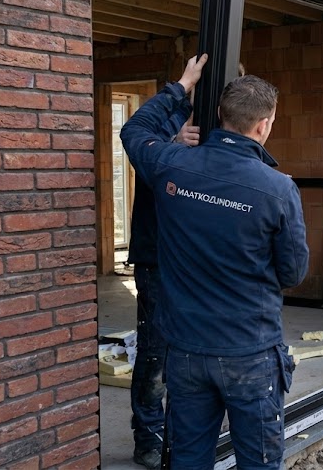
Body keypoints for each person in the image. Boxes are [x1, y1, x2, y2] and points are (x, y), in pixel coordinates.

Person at [121, 54, 309, 469]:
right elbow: (293, 272)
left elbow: (134, 129)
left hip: (187, 353)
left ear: (220, 114)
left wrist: (181, 85)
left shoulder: (172, 165)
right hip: (250, 352)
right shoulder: (278, 189)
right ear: (264, 126)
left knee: (189, 459)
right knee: (257, 461)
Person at [127, 99, 198, 470]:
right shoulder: (164, 125)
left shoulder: (222, 129)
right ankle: (148, 438)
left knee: (194, 352)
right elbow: (139, 146)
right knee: (156, 352)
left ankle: (184, 434)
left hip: (195, 258)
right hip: (157, 256)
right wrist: (174, 143)